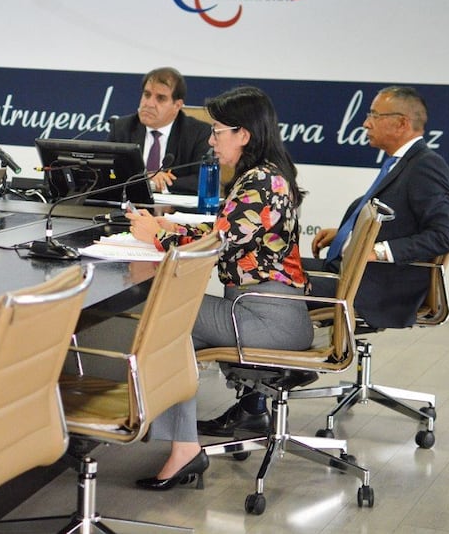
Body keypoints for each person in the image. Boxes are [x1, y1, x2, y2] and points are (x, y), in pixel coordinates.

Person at [126, 85, 311, 489]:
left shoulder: (262, 181)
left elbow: (216, 245)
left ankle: (179, 445)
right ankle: (183, 445)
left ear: (243, 134)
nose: (211, 140)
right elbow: (225, 231)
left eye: (217, 131)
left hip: (268, 319)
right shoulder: (262, 175)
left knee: (165, 315)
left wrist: (155, 235)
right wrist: (167, 226)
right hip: (261, 311)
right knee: (175, 333)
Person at [308, 86, 449, 329]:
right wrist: (347, 234)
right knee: (270, 270)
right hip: (351, 272)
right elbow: (401, 220)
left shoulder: (426, 166)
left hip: (374, 288)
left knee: (272, 283)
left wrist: (377, 251)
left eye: (375, 115)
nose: (366, 123)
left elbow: (442, 236)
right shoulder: (403, 163)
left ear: (401, 123)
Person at [108, 67, 212, 194]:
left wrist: (157, 184)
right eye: (147, 95)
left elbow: (205, 180)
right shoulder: (122, 128)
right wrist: (148, 179)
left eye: (161, 98)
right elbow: (107, 172)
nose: (149, 104)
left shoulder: (198, 133)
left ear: (177, 105)